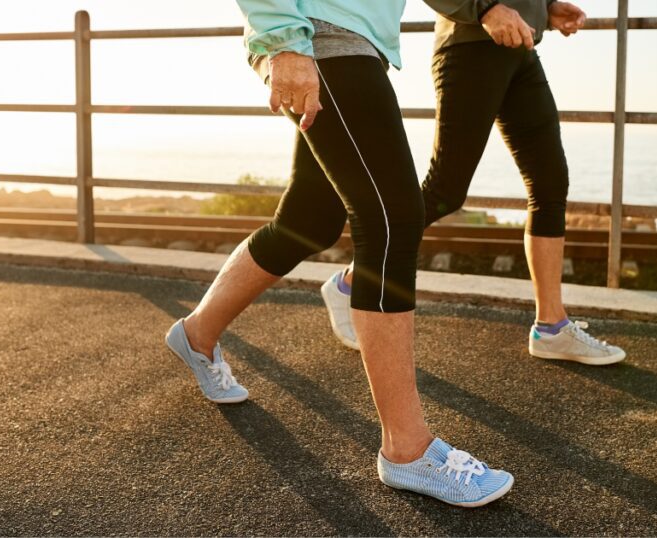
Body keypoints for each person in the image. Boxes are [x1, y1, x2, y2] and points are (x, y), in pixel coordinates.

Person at [163, 0, 514, 507]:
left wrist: (495, 6)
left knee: (308, 221)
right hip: (320, 39)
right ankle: (407, 449)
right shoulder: (305, 40)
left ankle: (197, 334)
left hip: (349, 42)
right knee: (392, 220)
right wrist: (283, 40)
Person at [321, 0, 627, 365]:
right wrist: (484, 9)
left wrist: (544, 8)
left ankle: (551, 327)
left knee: (550, 185)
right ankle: (351, 282)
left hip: (521, 48)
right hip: (471, 47)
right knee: (445, 191)